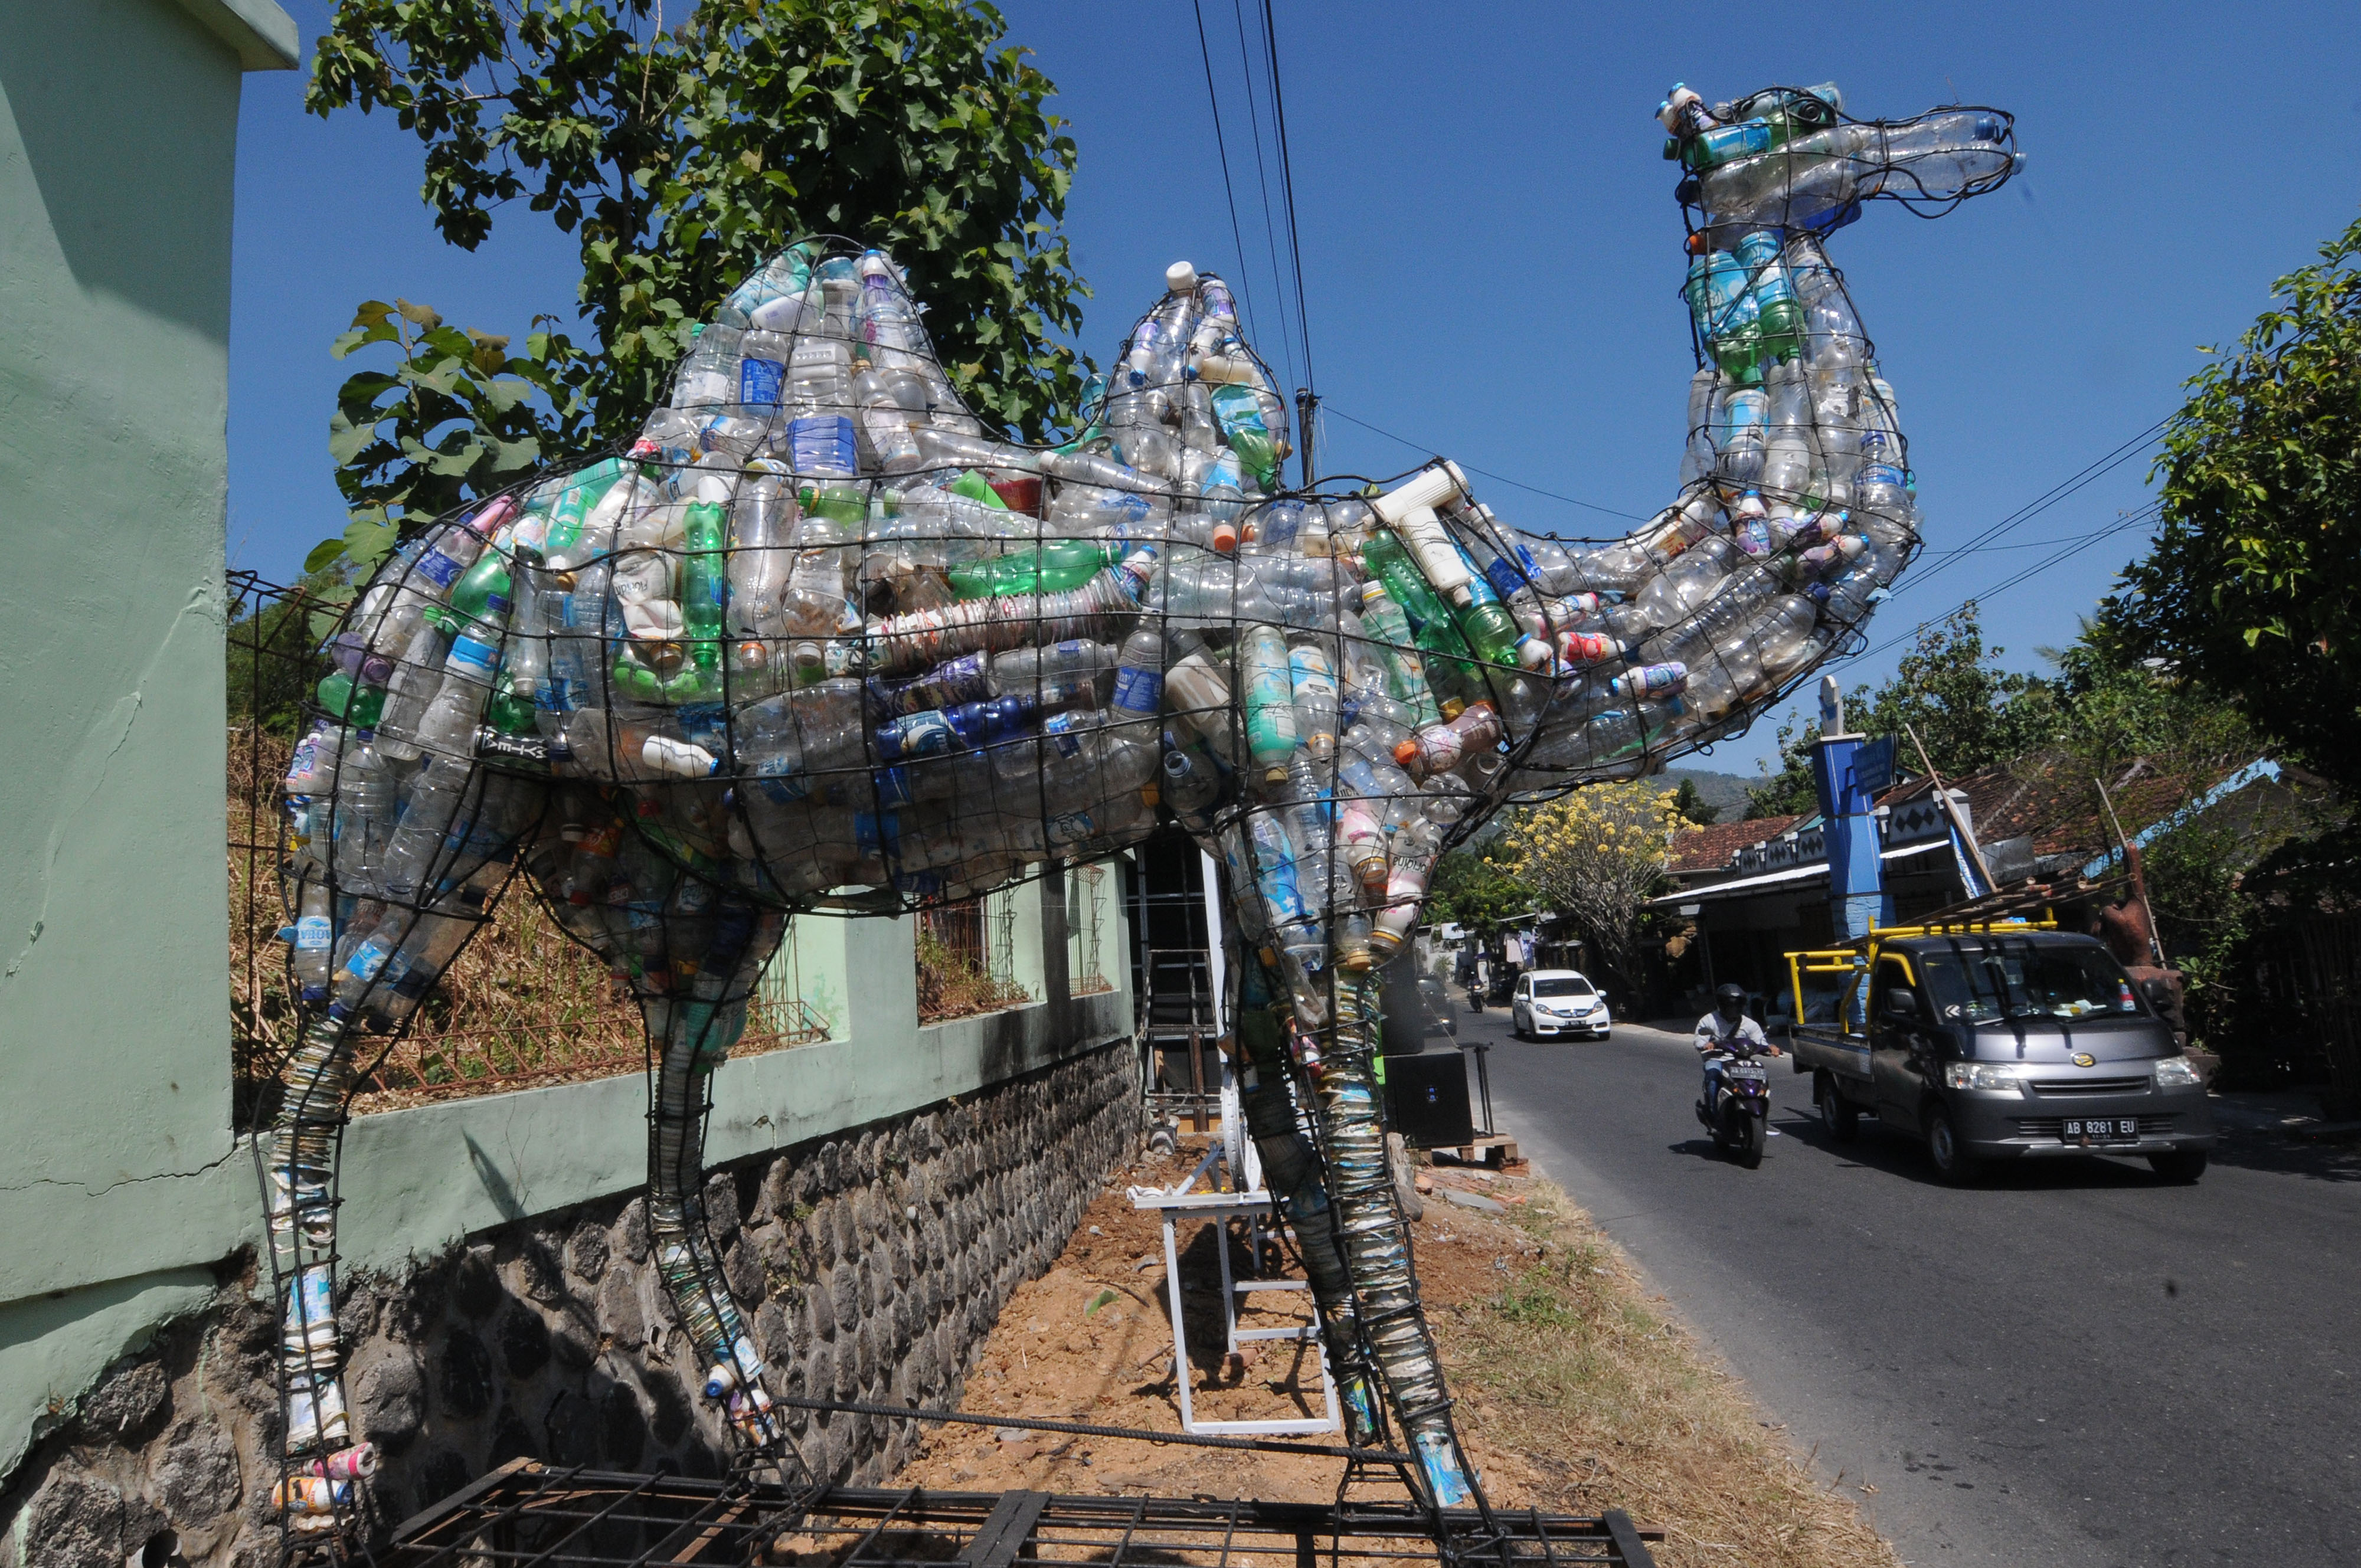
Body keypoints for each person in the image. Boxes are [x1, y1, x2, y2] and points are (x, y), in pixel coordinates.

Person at [1695, 982, 1781, 1114]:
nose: (1733, 1008)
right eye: (1730, 1005)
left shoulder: (1749, 1024)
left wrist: (1771, 1047)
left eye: (1737, 1004)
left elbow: (1760, 1042)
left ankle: (1763, 1114)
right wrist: (1706, 1045)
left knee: (1761, 1079)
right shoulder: (1709, 1020)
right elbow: (1699, 1040)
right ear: (1722, 1004)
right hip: (1718, 1059)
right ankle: (1715, 1113)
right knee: (1713, 1077)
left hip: (1741, 1059)